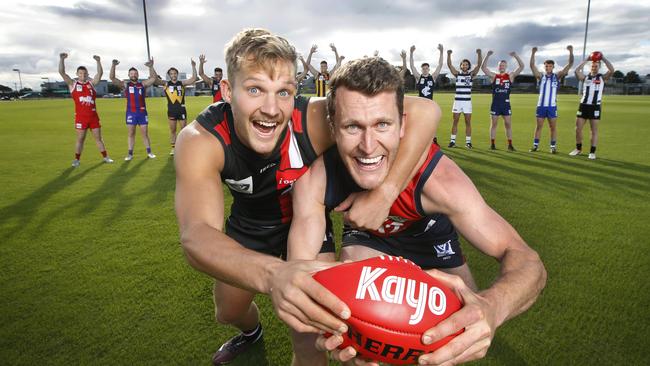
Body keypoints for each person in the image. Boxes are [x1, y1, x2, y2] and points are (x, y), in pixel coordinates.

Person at [174, 29, 441, 366]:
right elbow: (196, 235)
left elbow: (424, 112)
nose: (271, 109)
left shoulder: (313, 119)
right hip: (250, 228)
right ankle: (251, 332)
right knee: (227, 311)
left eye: (283, 92)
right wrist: (275, 274)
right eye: (255, 89)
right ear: (227, 90)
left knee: (313, 339)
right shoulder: (201, 139)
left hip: (309, 223)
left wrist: (385, 193)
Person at [287, 57, 546, 366]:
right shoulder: (316, 180)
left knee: (459, 326)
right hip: (368, 237)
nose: (369, 146)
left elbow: (527, 260)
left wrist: (492, 306)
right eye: (353, 126)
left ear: (403, 125)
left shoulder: (440, 181)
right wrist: (332, 321)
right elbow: (300, 273)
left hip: (428, 232)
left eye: (382, 124)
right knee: (353, 315)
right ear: (333, 127)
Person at [59, 52, 114, 167]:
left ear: (87, 74)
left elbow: (99, 73)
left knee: (99, 138)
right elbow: (62, 72)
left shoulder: (91, 84)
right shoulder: (72, 84)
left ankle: (106, 157)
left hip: (93, 117)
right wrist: (62, 59)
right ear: (77, 74)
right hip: (81, 118)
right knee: (80, 139)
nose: (82, 75)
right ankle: (76, 160)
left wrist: (98, 61)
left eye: (84, 73)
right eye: (80, 73)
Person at [109, 58, 160, 160]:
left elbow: (154, 78)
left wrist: (151, 66)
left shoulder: (143, 84)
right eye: (131, 73)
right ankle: (130, 154)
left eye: (135, 73)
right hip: (131, 113)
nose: (133, 75)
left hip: (142, 113)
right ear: (128, 75)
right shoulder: (125, 85)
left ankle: (149, 152)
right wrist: (113, 65)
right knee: (131, 133)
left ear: (138, 75)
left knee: (144, 133)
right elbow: (112, 78)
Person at [529, 45, 574, 153]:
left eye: (550, 66)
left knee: (552, 127)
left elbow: (570, 64)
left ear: (553, 67)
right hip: (541, 106)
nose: (548, 68)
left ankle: (553, 147)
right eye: (546, 66)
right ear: (544, 67)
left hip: (552, 106)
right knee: (539, 126)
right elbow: (531, 65)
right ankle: (535, 146)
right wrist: (533, 53)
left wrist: (570, 51)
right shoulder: (540, 76)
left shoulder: (557, 76)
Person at [570, 53, 615, 160]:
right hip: (583, 106)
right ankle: (578, 149)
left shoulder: (602, 78)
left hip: (595, 107)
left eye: (596, 66)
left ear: (599, 67)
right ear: (590, 67)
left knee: (593, 130)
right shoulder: (585, 78)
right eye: (593, 66)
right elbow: (576, 71)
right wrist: (587, 59)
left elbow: (612, 70)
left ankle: (592, 152)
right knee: (578, 129)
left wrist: (603, 58)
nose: (594, 67)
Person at [481, 50, 524, 151]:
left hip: (506, 105)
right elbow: (483, 68)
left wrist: (516, 56)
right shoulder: (494, 76)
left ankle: (510, 145)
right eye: (500, 65)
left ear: (506, 66)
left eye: (503, 65)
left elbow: (521, 67)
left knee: (508, 124)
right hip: (495, 104)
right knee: (494, 124)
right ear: (498, 67)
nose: (502, 67)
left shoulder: (510, 76)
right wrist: (487, 55)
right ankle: (492, 144)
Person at [155, 60, 198, 155]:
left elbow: (194, 78)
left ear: (177, 74)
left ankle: (184, 147)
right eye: (171, 73)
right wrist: (151, 66)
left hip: (181, 110)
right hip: (171, 111)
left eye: (175, 73)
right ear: (169, 75)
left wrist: (193, 66)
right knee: (173, 130)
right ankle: (173, 148)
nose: (173, 75)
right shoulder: (166, 84)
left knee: (183, 130)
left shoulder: (182, 83)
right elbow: (155, 79)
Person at [446, 48, 483, 149]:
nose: (465, 66)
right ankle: (452, 141)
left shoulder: (471, 75)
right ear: (461, 66)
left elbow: (479, 65)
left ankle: (468, 142)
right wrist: (448, 54)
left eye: (466, 64)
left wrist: (479, 54)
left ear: (468, 66)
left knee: (468, 122)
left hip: (467, 103)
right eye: (463, 64)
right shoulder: (457, 74)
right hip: (457, 102)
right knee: (455, 121)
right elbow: (449, 65)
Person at [410, 43, 444, 144]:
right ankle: (420, 140)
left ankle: (434, 139)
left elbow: (440, 65)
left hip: (430, 104)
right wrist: (411, 53)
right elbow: (412, 66)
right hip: (420, 105)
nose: (425, 70)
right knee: (419, 123)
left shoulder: (432, 77)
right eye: (423, 68)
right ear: (422, 69)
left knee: (432, 123)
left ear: (429, 69)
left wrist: (441, 52)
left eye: (426, 68)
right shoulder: (418, 77)